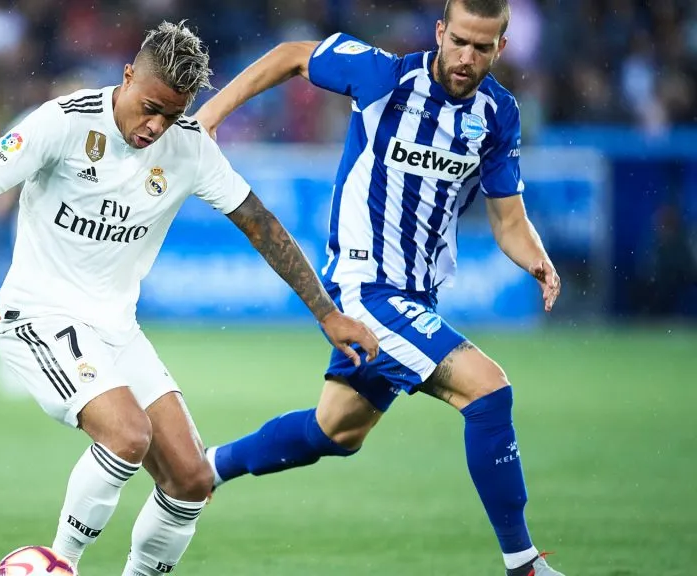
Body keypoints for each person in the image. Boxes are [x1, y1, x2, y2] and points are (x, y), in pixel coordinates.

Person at [0, 21, 379, 576]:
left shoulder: (189, 147)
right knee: (127, 436)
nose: (155, 126)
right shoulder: (66, 121)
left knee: (192, 479)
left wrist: (328, 313)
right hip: (39, 316)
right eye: (149, 107)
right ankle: (62, 564)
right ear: (127, 76)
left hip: (116, 329)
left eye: (170, 115)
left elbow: (260, 223)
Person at [195, 1, 565, 575]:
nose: (467, 58)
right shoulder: (384, 75)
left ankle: (205, 468)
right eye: (460, 41)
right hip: (365, 289)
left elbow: (508, 221)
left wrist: (537, 260)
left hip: (417, 297)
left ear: (501, 48)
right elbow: (294, 56)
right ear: (441, 32)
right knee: (489, 391)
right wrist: (212, 114)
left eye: (482, 48)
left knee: (334, 431)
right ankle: (524, 565)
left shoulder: (498, 114)